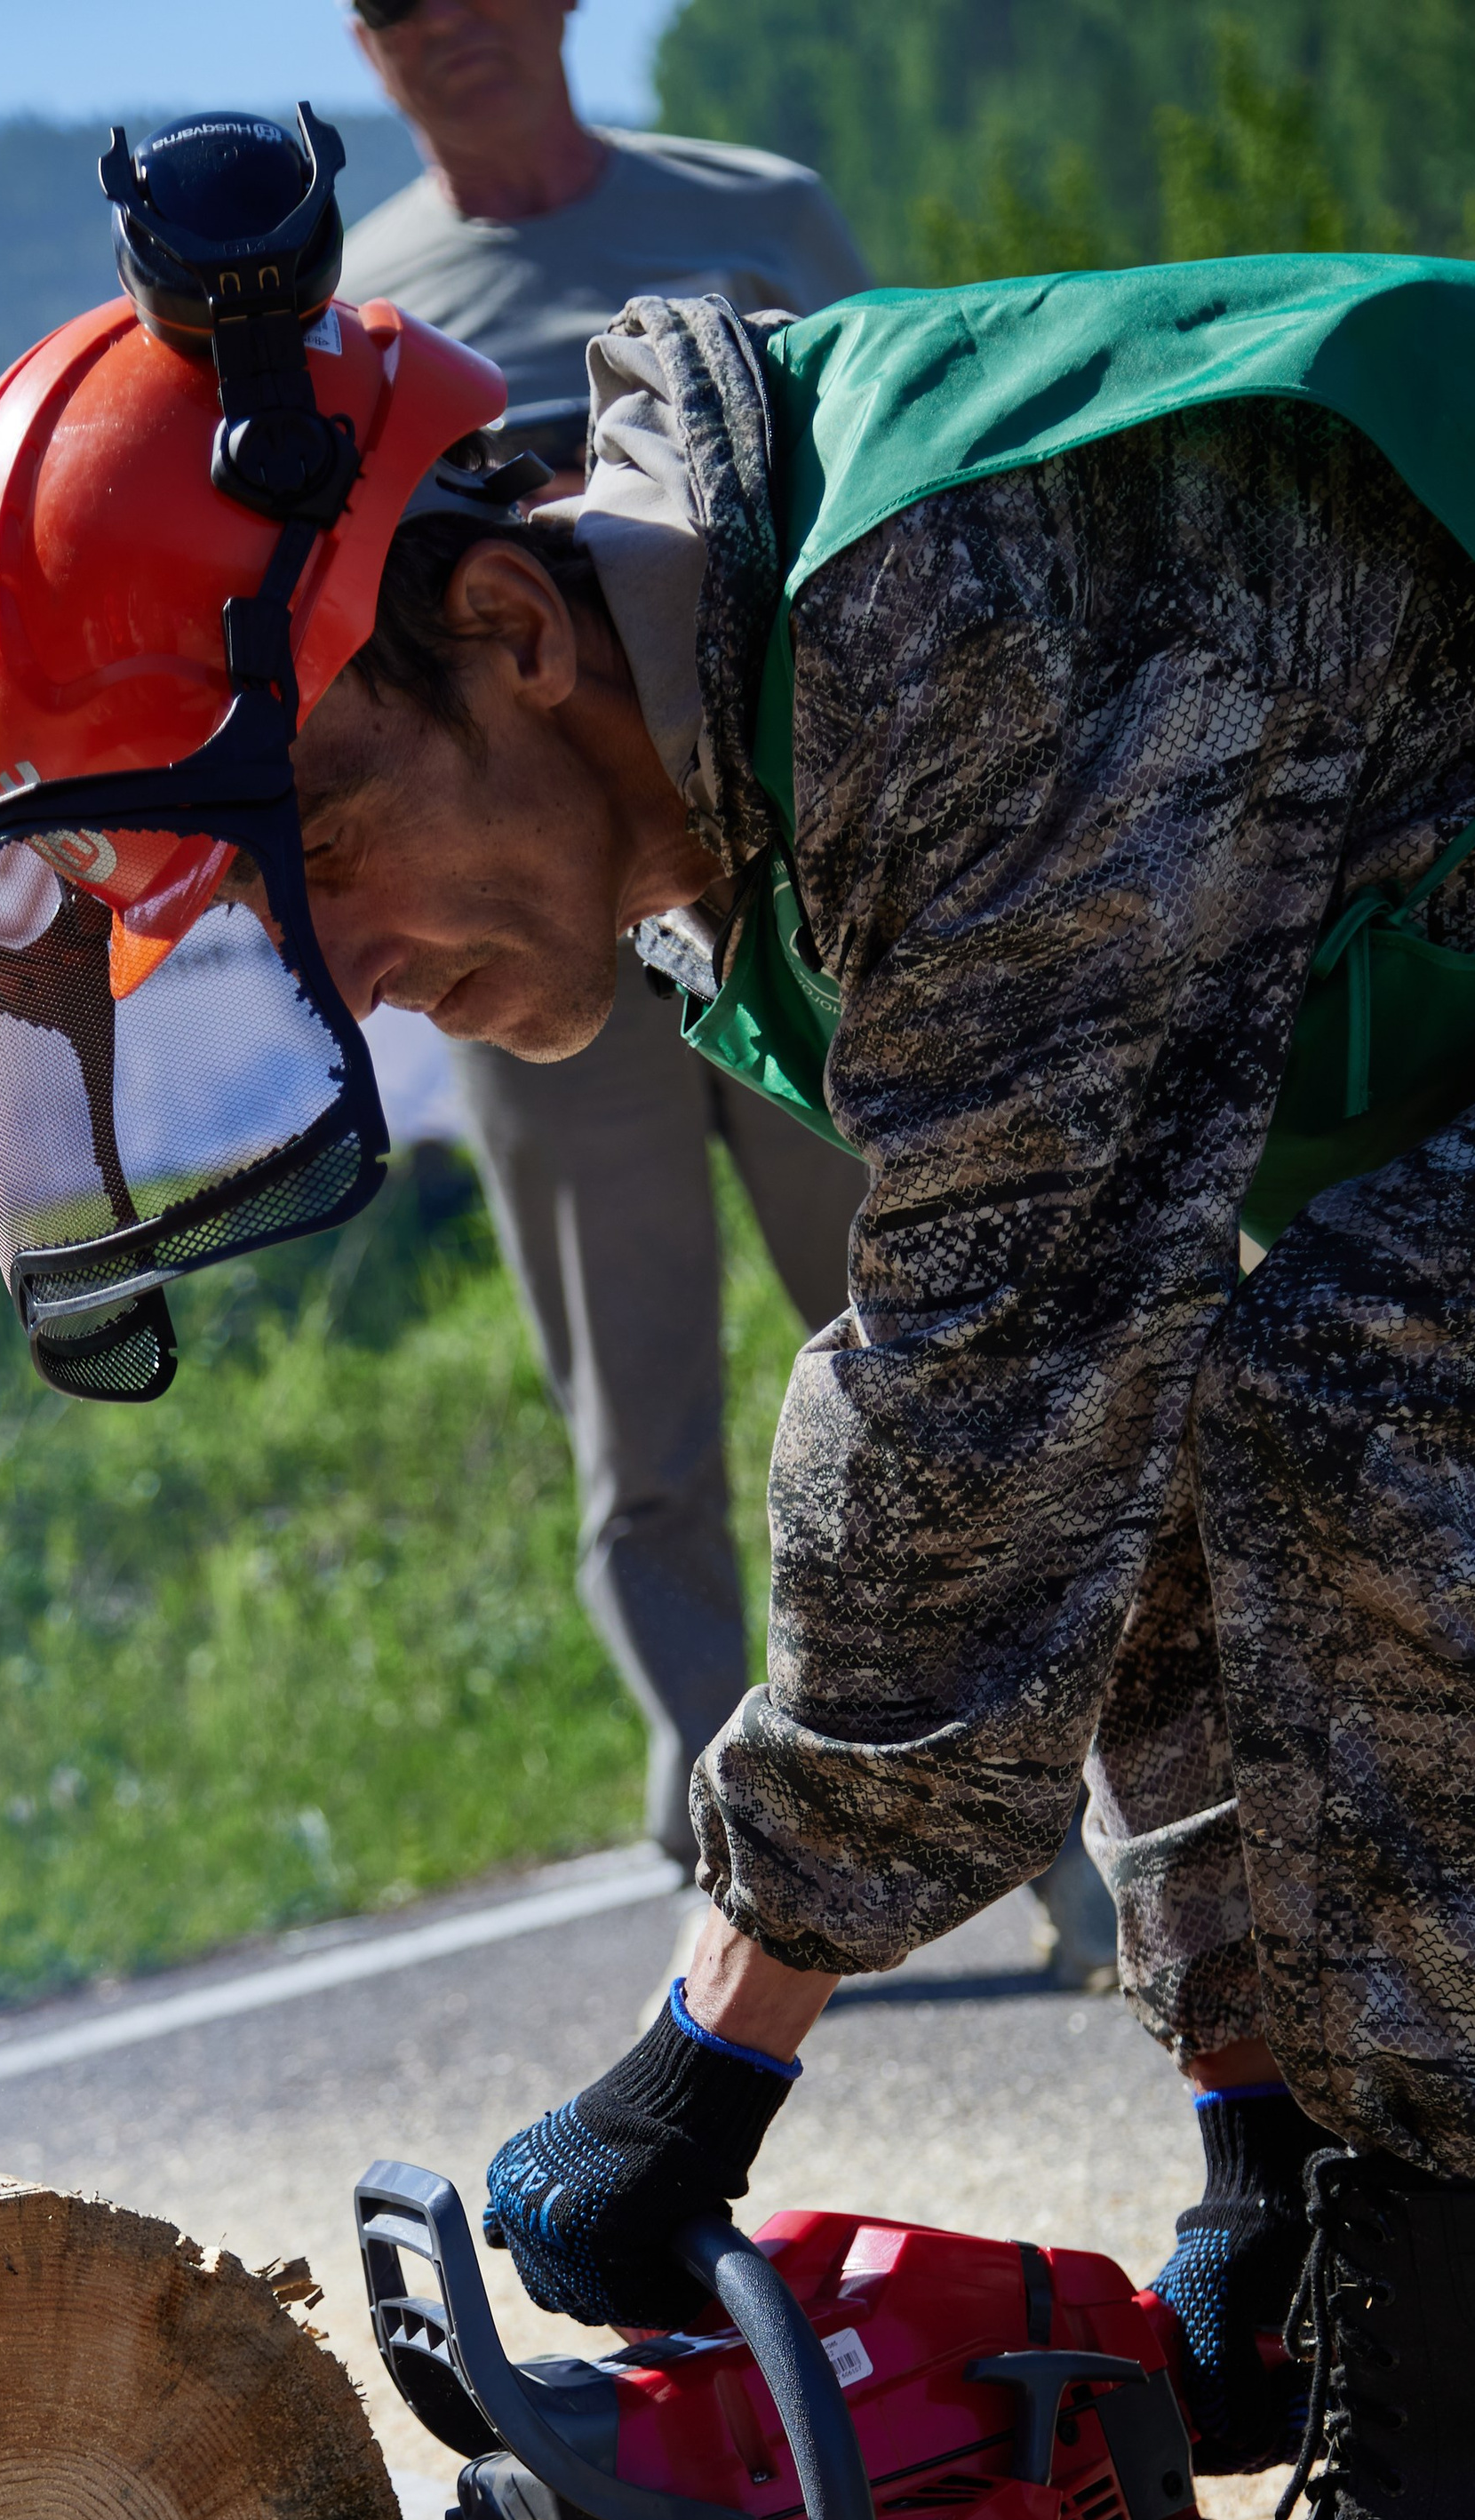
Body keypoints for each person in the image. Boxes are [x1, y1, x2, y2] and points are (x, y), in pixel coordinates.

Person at [0, 124, 1475, 2520]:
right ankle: (1342, 2236)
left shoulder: (946, 633)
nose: (362, 974)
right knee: (1241, 1379)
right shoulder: (727, 764)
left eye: (326, 856)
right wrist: (1264, 2093)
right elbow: (1086, 1396)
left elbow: (985, 1428)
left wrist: (713, 2047)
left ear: (497, 622)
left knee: (1385, 1407)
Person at [337, 0, 870, 1878]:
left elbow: (872, 495)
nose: (445, 25)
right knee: (635, 1420)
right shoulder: (345, 304)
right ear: (358, 41)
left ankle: (1043, 1824)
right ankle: (743, 1843)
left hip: (792, 881)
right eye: (393, 3)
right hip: (523, 929)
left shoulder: (763, 211)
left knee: (908, 1331)